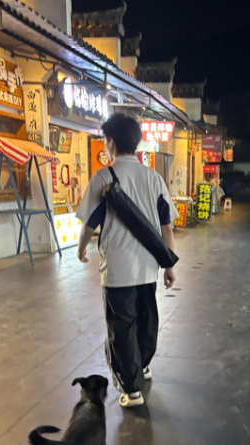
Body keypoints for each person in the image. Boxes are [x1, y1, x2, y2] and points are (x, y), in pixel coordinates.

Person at [76, 114, 178, 409]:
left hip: (117, 270)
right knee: (146, 320)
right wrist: (169, 265)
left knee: (121, 327)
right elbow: (166, 227)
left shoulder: (103, 178)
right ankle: (141, 367)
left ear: (111, 142)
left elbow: (89, 225)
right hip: (148, 267)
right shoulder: (154, 178)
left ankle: (132, 390)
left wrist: (81, 249)